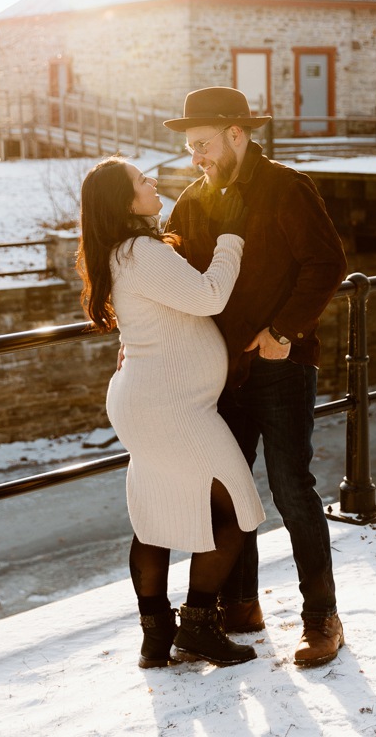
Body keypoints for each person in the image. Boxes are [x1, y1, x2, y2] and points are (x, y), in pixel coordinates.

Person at [163, 87, 348, 668]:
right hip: (221, 372)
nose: (196, 157)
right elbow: (177, 276)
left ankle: (322, 619)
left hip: (281, 365)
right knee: (227, 492)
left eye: (203, 144)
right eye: (191, 147)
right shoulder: (193, 201)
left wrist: (284, 333)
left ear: (236, 134)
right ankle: (240, 606)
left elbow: (327, 264)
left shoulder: (287, 187)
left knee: (293, 490)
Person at [76, 155, 265, 669]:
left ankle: (156, 636)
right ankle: (199, 625)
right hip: (170, 407)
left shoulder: (123, 251)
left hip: (152, 400)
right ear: (124, 200)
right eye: (141, 180)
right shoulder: (139, 251)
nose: (152, 181)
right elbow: (208, 296)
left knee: (156, 517)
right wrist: (231, 239)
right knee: (236, 509)